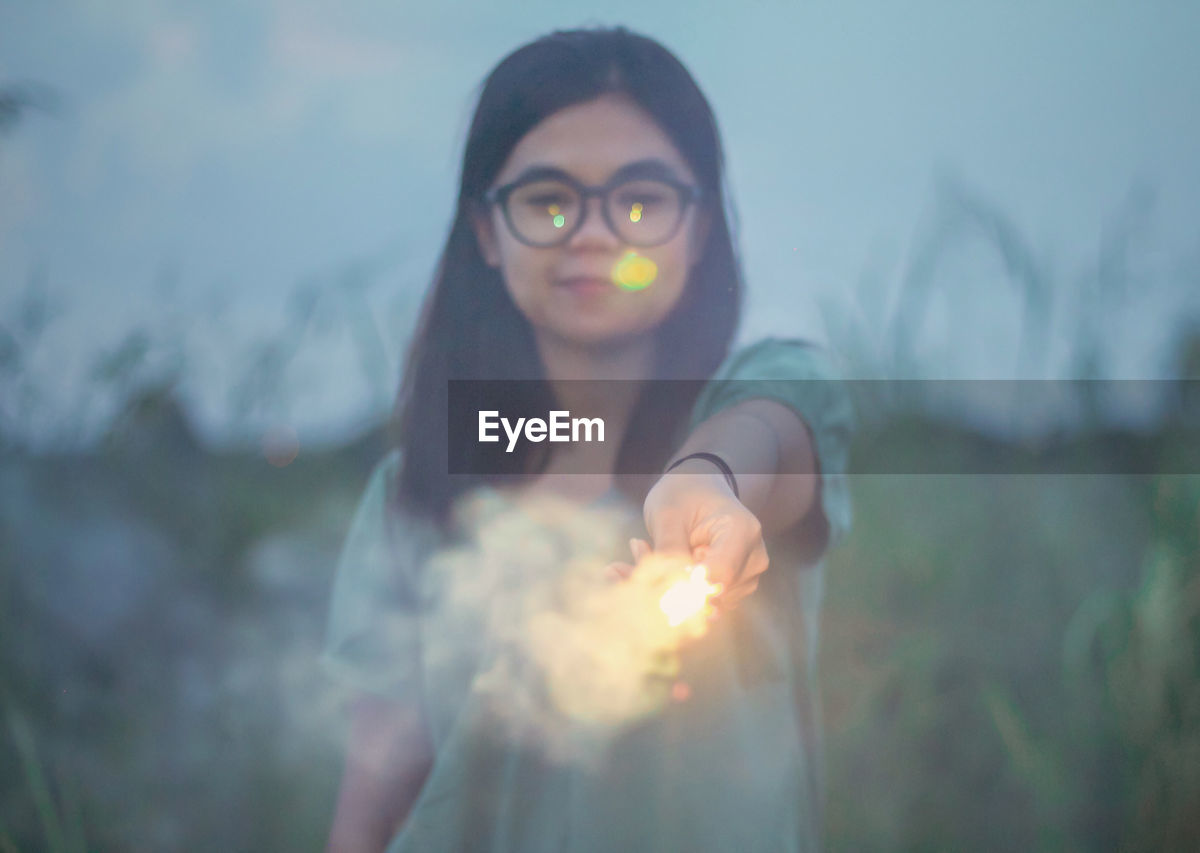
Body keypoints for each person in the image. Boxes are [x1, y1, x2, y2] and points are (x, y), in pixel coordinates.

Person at [322, 26, 855, 853]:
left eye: (641, 201)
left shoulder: (772, 401)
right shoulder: (413, 491)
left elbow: (769, 430)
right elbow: (373, 802)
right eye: (547, 200)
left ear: (700, 227)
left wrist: (707, 481)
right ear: (487, 231)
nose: (594, 234)